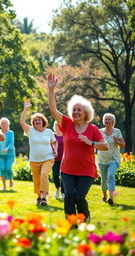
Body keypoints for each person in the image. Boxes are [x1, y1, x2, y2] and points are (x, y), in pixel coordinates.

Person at [47, 73, 108, 221]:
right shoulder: (67, 124)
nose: (76, 112)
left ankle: (85, 215)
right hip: (67, 169)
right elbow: (53, 111)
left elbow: (105, 146)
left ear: (85, 112)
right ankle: (71, 225)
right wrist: (51, 90)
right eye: (74, 110)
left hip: (86, 170)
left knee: (79, 197)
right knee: (68, 196)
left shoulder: (92, 129)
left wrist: (91, 142)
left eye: (79, 110)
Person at [20, 99, 57, 206]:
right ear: (33, 123)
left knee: (44, 174)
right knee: (36, 179)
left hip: (48, 158)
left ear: (43, 121)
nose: (37, 122)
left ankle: (44, 198)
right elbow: (22, 122)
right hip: (34, 160)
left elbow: (54, 142)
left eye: (39, 120)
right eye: (35, 120)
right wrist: (25, 109)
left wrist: (55, 150)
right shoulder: (30, 131)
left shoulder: (49, 132)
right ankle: (39, 196)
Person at [97, 113, 125, 205]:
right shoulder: (99, 131)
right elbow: (96, 143)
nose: (107, 121)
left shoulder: (117, 131)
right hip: (102, 159)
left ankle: (111, 198)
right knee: (103, 181)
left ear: (113, 122)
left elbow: (123, 144)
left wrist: (117, 141)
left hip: (114, 158)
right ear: (103, 121)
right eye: (106, 119)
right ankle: (105, 196)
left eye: (109, 119)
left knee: (110, 175)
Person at [0, 117, 16, 191]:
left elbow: (11, 142)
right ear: (0, 124)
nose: (4, 124)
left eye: (5, 123)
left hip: (9, 154)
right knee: (2, 169)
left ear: (8, 124)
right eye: (2, 123)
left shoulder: (11, 133)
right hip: (0, 155)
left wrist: (7, 148)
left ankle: (11, 179)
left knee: (8, 168)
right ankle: (4, 186)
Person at [52, 121, 65, 199]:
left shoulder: (65, 135)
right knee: (55, 174)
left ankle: (63, 192)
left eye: (59, 125)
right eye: (56, 125)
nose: (58, 126)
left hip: (64, 158)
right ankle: (57, 189)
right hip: (55, 158)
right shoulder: (52, 135)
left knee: (63, 176)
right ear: (54, 126)